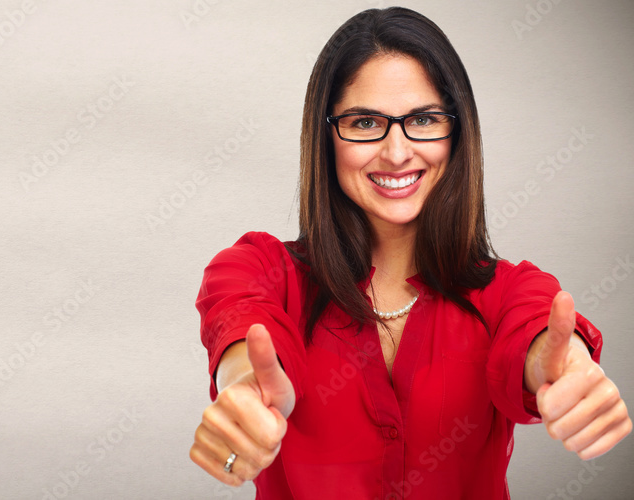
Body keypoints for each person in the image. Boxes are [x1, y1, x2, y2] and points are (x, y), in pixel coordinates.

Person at [188, 7, 631, 499]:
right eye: (364, 122)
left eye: (423, 119)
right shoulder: (262, 269)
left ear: (457, 132)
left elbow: (536, 337)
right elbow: (241, 321)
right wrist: (244, 389)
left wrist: (567, 365)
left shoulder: (509, 291)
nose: (397, 152)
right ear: (326, 136)